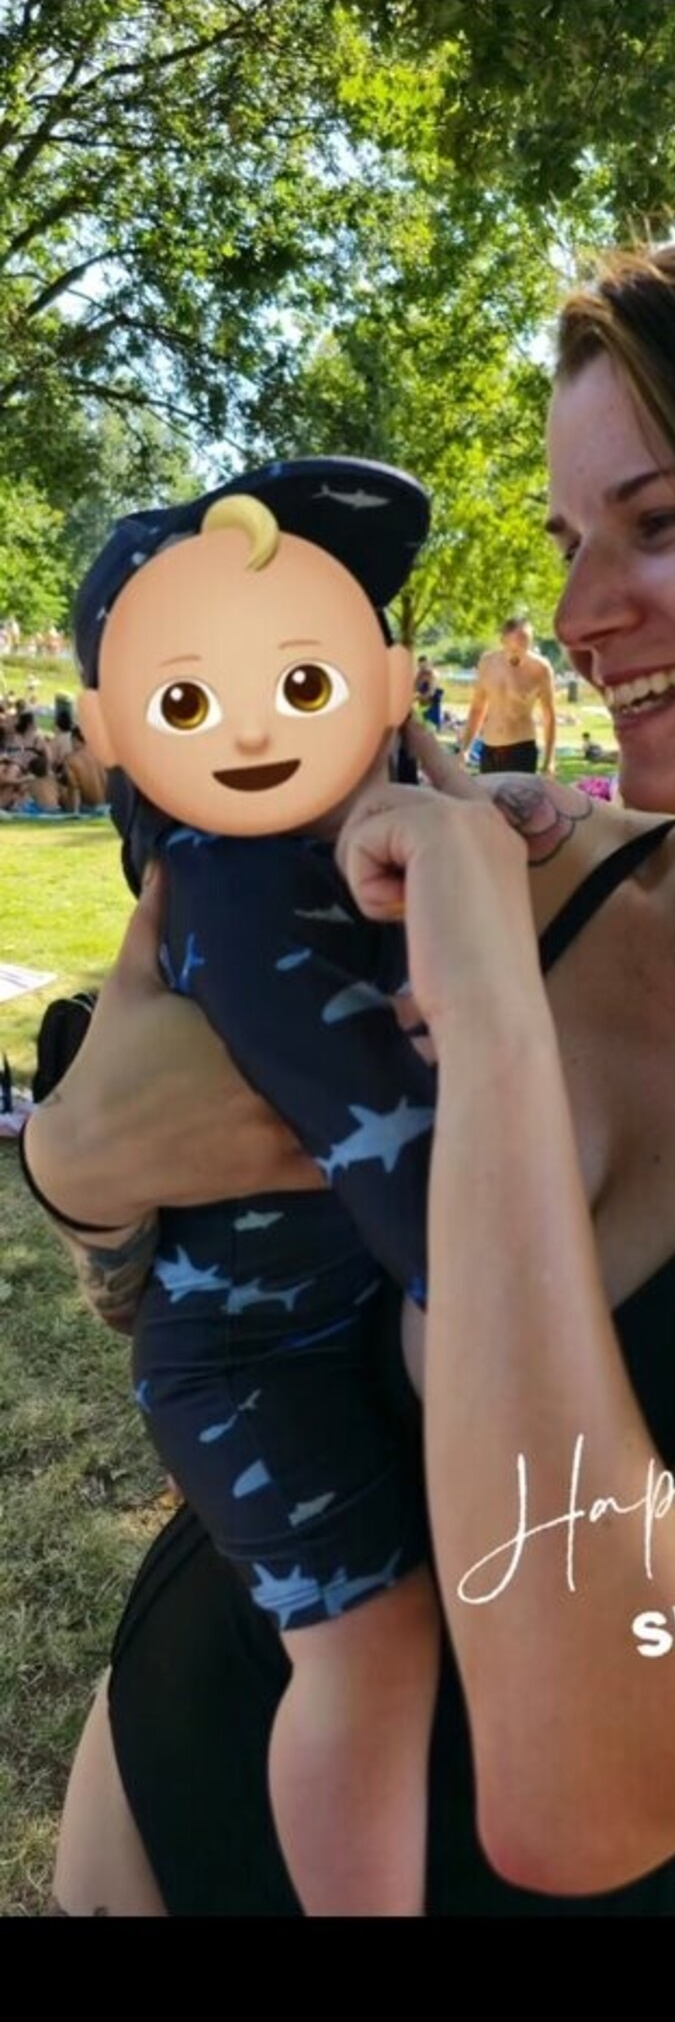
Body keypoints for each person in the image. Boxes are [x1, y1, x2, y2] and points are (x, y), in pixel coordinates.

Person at [34, 178, 675, 1917]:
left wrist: (500, 1043)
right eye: (570, 537)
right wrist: (77, 1168)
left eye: (655, 521)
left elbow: (590, 1798)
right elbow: (171, 1227)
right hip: (153, 1782)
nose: (579, 612)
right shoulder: (508, 858)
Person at [58, 457, 446, 1917]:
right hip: (253, 1356)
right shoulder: (238, 880)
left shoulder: (331, 842)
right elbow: (368, 1121)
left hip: (305, 1331)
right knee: (373, 1647)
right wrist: (483, 1286)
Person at [460, 615, 557, 775]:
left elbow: (549, 716)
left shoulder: (541, 669)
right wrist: (465, 748)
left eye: (525, 647)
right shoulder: (487, 663)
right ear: (503, 641)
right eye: (514, 650)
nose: (519, 655)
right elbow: (477, 709)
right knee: (487, 792)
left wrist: (549, 759)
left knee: (517, 792)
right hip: (489, 748)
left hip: (521, 749)